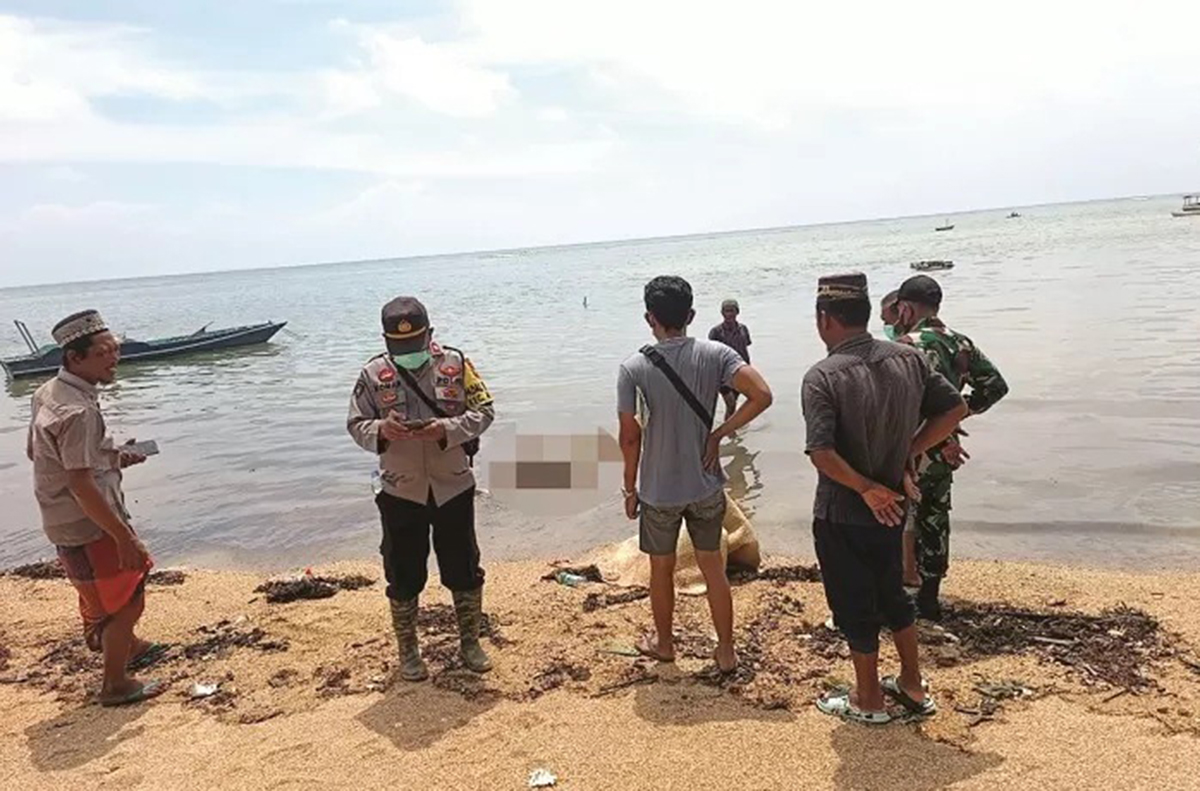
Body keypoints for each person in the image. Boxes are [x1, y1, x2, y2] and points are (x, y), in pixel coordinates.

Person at [801, 273, 967, 724]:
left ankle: (869, 699)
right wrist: (909, 450)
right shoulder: (908, 358)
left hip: (843, 510)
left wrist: (865, 488)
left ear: (824, 319)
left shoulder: (822, 376)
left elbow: (822, 453)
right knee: (893, 593)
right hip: (896, 502)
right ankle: (912, 683)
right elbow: (954, 409)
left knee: (854, 605)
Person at [617, 276, 773, 673]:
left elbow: (630, 437)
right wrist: (719, 433)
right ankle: (726, 651)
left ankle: (665, 644)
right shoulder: (717, 354)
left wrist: (629, 488)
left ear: (649, 317)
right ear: (690, 315)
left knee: (661, 569)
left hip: (658, 491)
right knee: (712, 568)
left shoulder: (633, 368)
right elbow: (762, 395)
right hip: (705, 484)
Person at [347, 296, 496, 682]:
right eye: (400, 346)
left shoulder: (456, 364)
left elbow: (484, 412)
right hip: (400, 490)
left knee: (464, 568)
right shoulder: (372, 374)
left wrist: (445, 430)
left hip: (453, 486)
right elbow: (356, 424)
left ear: (430, 334)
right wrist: (382, 430)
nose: (409, 352)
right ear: (385, 340)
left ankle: (470, 643)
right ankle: (408, 653)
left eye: (415, 343)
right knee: (403, 574)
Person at [26, 310, 165, 706]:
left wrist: (112, 457)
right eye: (103, 352)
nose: (114, 358)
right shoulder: (80, 412)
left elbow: (39, 454)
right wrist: (123, 537)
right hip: (90, 523)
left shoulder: (48, 392)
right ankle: (115, 684)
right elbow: (80, 484)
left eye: (115, 348)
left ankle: (127, 645)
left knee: (99, 590)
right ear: (75, 357)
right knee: (127, 597)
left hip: (63, 519)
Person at [891, 275, 1009, 620]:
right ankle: (929, 597)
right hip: (943, 448)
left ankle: (893, 596)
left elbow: (894, 403)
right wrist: (958, 416)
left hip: (909, 448)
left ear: (905, 308)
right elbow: (995, 386)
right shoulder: (960, 343)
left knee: (893, 517)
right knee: (934, 519)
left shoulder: (904, 346)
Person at [707, 299, 753, 421]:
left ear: (737, 312)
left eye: (732, 311)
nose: (729, 314)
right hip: (722, 374)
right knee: (731, 404)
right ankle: (728, 429)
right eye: (726, 311)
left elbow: (745, 348)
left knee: (736, 403)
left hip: (740, 371)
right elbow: (712, 354)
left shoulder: (743, 329)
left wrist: (749, 369)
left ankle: (732, 428)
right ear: (722, 313)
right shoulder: (716, 332)